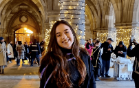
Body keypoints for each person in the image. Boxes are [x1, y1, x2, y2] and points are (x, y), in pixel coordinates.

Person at [39, 20, 96, 88]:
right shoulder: (50, 60)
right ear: (55, 39)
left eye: (66, 32)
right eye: (59, 35)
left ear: (73, 33)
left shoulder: (83, 54)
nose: (64, 37)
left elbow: (92, 80)